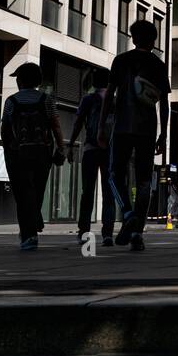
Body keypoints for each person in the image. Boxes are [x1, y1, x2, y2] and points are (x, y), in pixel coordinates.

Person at [101, 19, 170, 252]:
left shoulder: (120, 61)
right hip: (147, 128)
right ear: (154, 40)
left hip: (122, 126)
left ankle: (127, 212)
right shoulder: (159, 65)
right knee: (143, 181)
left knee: (114, 174)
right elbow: (165, 104)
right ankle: (138, 233)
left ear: (132, 38)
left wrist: (102, 126)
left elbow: (109, 95)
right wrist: (164, 134)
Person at [1, 62, 66, 251]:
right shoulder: (46, 100)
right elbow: (55, 126)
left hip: (19, 154)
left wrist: (8, 151)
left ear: (21, 80)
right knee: (37, 191)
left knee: (22, 195)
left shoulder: (11, 102)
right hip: (42, 154)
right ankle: (33, 222)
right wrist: (60, 148)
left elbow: (5, 128)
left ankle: (28, 235)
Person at [68, 67, 120, 246]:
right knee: (109, 194)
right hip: (110, 152)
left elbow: (77, 123)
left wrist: (70, 145)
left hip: (90, 149)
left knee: (87, 192)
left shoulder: (88, 100)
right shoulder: (115, 101)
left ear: (94, 82)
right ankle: (107, 234)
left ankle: (84, 232)